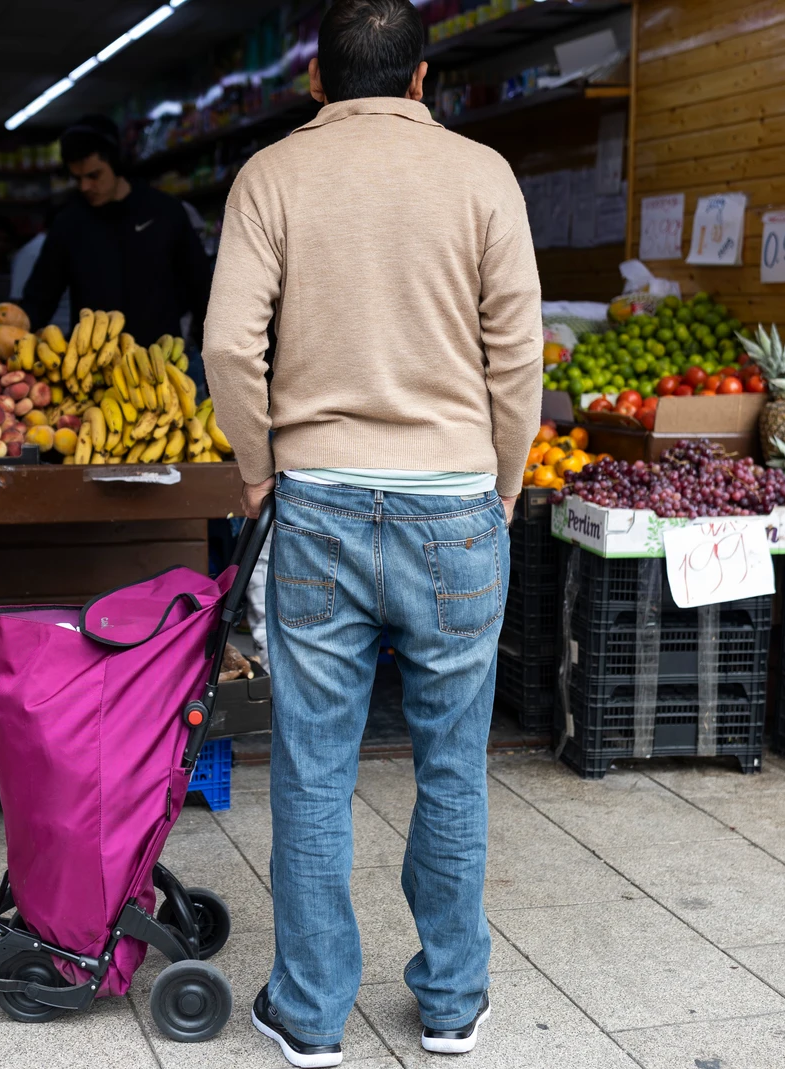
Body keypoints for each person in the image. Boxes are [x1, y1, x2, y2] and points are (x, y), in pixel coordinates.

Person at [201, 1, 541, 1065]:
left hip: (319, 505)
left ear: (315, 81)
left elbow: (227, 346)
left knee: (312, 765)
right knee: (453, 763)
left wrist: (257, 466)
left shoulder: (271, 176)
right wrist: (504, 481)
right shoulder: (482, 175)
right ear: (421, 77)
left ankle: (309, 1012)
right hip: (456, 504)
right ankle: (451, 1003)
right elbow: (518, 355)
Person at [19, 115, 211, 351]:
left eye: (94, 175)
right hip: (93, 363)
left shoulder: (164, 212)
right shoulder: (69, 223)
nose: (85, 187)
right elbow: (39, 299)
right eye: (77, 178)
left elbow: (201, 288)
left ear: (116, 163)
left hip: (161, 361)